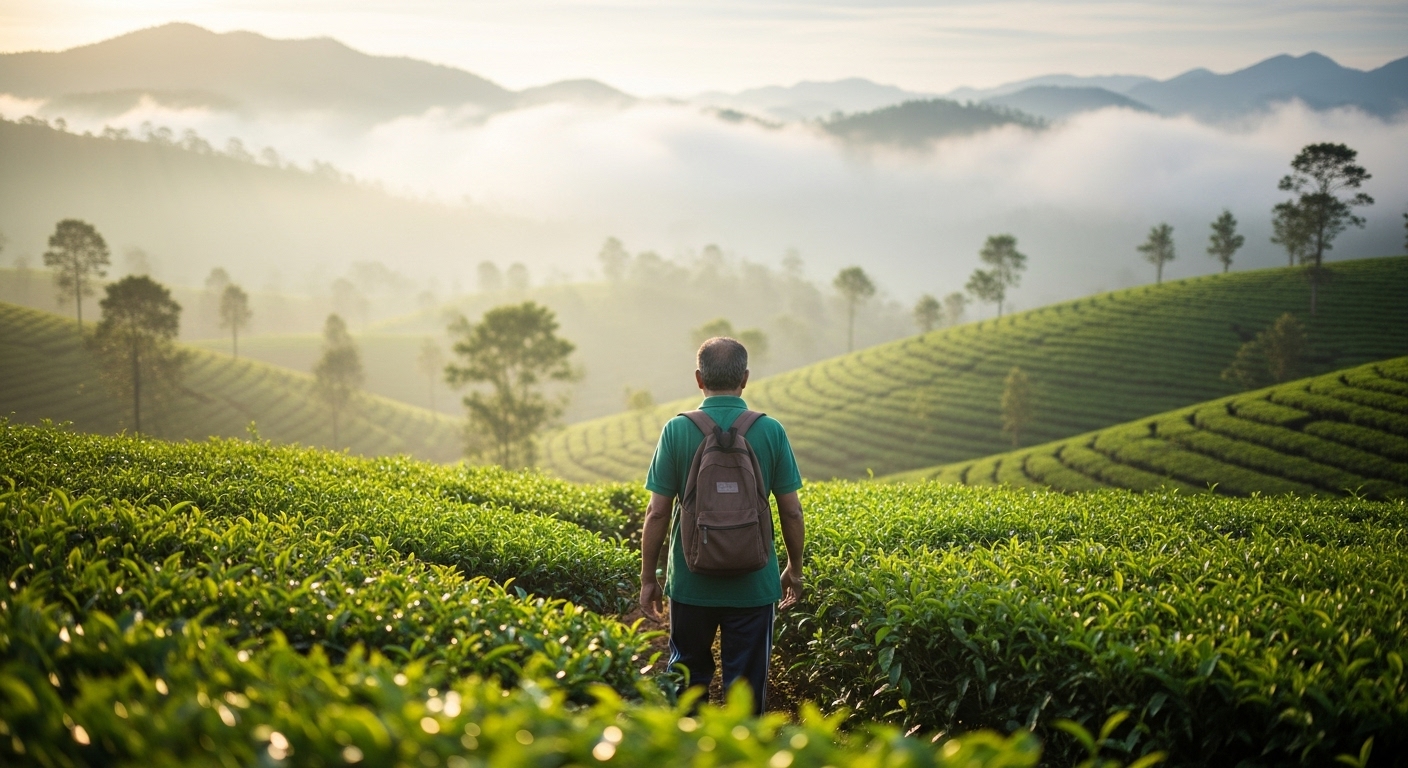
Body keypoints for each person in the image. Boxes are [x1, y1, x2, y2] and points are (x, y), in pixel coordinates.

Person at [638, 336, 805, 715]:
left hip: (691, 583)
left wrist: (650, 578)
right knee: (746, 692)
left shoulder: (677, 430)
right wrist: (794, 569)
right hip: (755, 583)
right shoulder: (770, 430)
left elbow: (657, 513)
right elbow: (791, 512)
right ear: (744, 378)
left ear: (699, 379)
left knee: (687, 681)